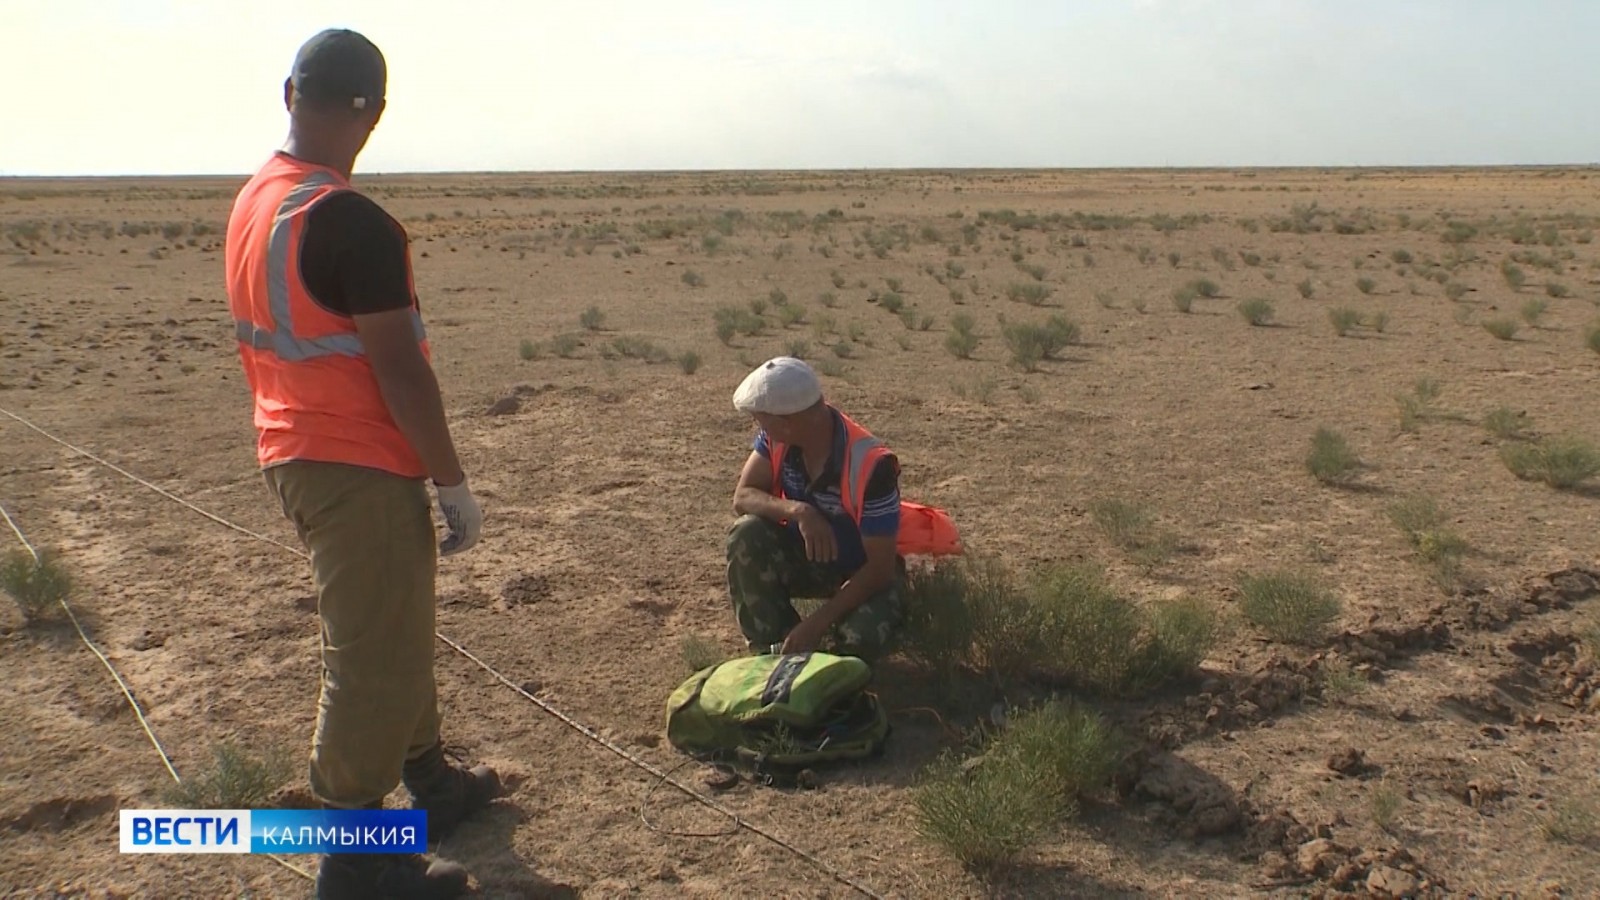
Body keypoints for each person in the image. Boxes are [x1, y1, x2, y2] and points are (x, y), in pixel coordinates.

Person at [224, 28, 499, 899]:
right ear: (372, 114)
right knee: (371, 655)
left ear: (288, 93)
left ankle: (432, 786)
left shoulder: (260, 198)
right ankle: (357, 865)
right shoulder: (350, 219)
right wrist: (450, 478)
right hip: (354, 461)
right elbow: (401, 368)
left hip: (292, 449)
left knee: (396, 623)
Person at [727, 357, 906, 659]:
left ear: (788, 422)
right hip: (813, 561)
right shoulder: (777, 439)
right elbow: (743, 496)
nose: (761, 429)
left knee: (855, 642)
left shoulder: (872, 466)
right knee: (746, 535)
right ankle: (774, 650)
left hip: (866, 573)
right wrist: (800, 511)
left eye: (763, 420)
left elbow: (880, 569)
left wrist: (817, 622)